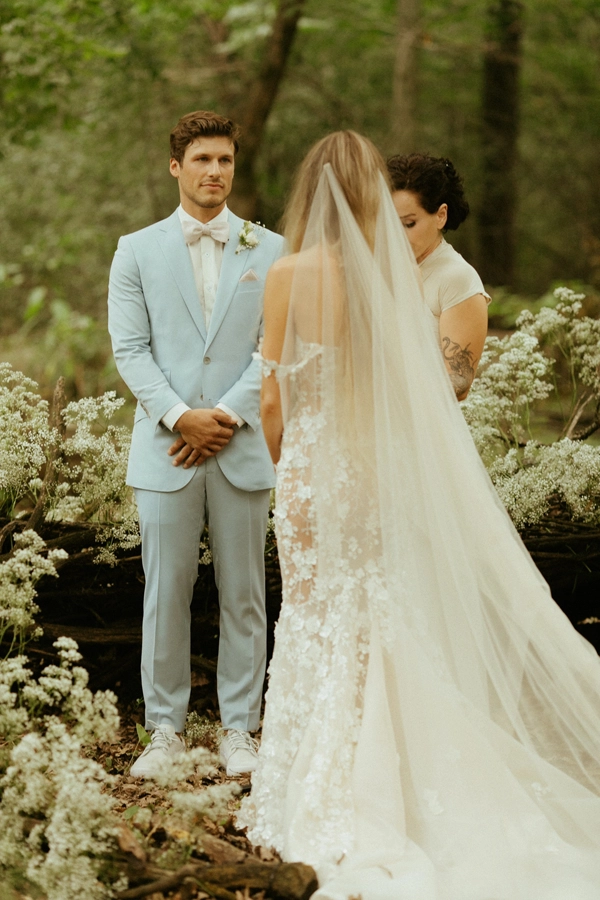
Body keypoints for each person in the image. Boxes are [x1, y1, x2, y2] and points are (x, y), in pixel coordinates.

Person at [238, 131, 600, 899]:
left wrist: (290, 465)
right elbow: (422, 398)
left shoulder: (286, 275)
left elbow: (272, 398)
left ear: (311, 193)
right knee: (377, 615)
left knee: (311, 617)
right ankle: (392, 781)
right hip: (373, 473)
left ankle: (320, 781)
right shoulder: (391, 281)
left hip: (309, 471)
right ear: (370, 194)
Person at [108, 110, 283, 778]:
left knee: (245, 593)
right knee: (166, 591)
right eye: (203, 160)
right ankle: (165, 731)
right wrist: (181, 416)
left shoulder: (271, 249)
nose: (215, 172)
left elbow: (277, 345)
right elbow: (129, 349)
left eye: (226, 161)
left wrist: (225, 418)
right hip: (166, 448)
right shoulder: (136, 249)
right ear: (176, 165)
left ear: (235, 167)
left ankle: (241, 728)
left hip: (241, 447)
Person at [387, 153, 489, 400]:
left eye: (409, 224)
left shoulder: (457, 278)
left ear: (441, 215)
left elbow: (458, 383)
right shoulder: (378, 267)